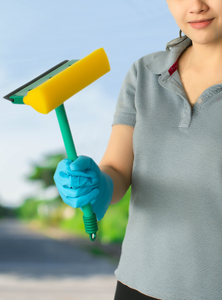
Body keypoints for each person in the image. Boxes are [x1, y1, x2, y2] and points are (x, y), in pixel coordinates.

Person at [53, 1, 222, 299]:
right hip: (138, 284)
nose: (196, 6)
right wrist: (97, 184)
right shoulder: (144, 73)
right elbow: (118, 170)